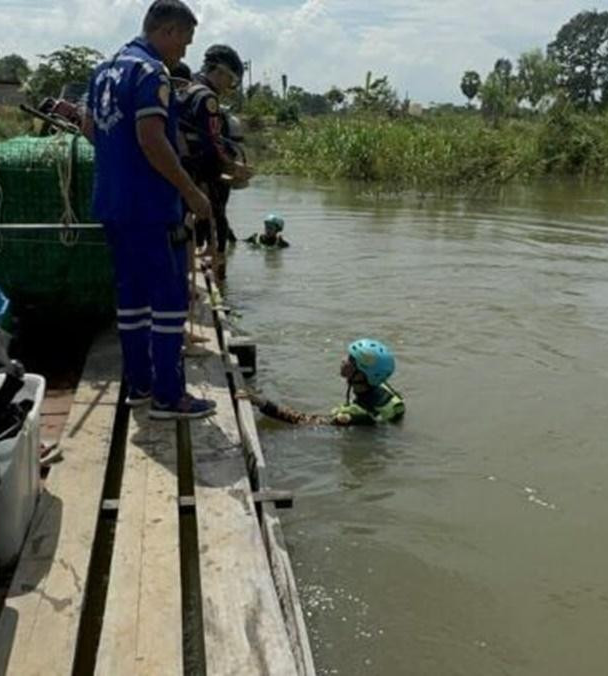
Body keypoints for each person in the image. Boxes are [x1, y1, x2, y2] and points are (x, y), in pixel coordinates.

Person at [81, 0, 216, 419]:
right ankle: (169, 396)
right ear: (170, 31)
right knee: (169, 299)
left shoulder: (105, 69)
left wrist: (119, 165)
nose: (184, 53)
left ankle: (139, 385)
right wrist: (191, 191)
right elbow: (151, 138)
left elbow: (88, 128)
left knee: (132, 299)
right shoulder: (150, 72)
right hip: (152, 207)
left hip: (112, 203)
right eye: (185, 42)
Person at [178, 45, 252, 263]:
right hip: (200, 173)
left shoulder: (186, 88)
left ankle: (191, 269)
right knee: (216, 223)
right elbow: (212, 144)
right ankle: (217, 274)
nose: (229, 87)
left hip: (180, 170)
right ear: (220, 72)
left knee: (186, 225)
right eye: (230, 80)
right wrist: (233, 167)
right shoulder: (207, 97)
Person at [246, 339, 405, 426]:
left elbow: (305, 421)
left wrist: (262, 403)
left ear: (362, 375)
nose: (343, 361)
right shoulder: (383, 387)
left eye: (351, 360)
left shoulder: (356, 415)